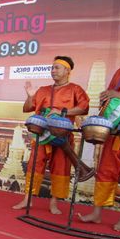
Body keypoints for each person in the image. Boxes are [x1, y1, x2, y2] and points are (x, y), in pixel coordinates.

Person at [12, 56, 90, 214]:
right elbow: (26, 108)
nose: (53, 71)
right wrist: (30, 96)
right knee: (35, 164)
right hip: (42, 136)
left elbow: (84, 108)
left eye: (57, 68)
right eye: (52, 68)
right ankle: (28, 199)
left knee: (60, 168)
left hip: (62, 136)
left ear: (67, 71)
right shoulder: (43, 90)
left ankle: (54, 203)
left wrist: (63, 111)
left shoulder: (76, 89)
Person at [79, 30, 120, 231]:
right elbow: (111, 96)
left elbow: (119, 96)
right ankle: (96, 212)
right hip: (115, 130)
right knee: (106, 170)